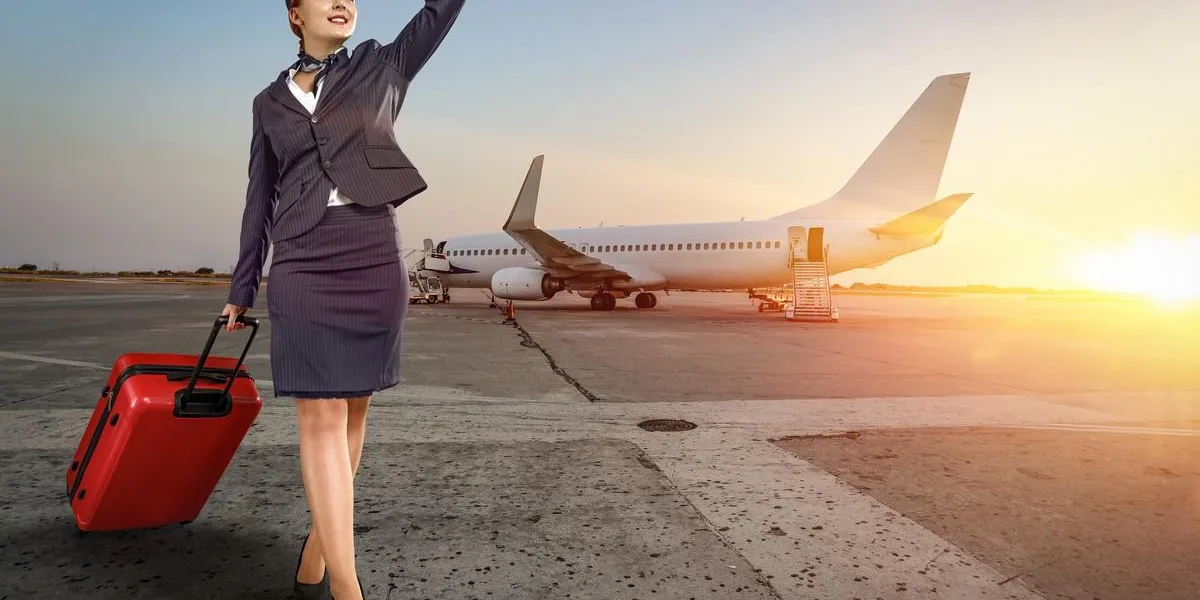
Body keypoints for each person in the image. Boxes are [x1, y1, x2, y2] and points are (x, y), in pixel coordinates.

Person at [221, 1, 466, 599]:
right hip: (302, 258)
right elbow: (260, 197)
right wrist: (241, 286)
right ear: (293, 15)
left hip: (373, 252)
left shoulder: (383, 65)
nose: (342, 2)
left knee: (353, 416)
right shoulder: (267, 102)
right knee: (321, 418)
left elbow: (440, 10)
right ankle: (347, 588)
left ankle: (317, 547)